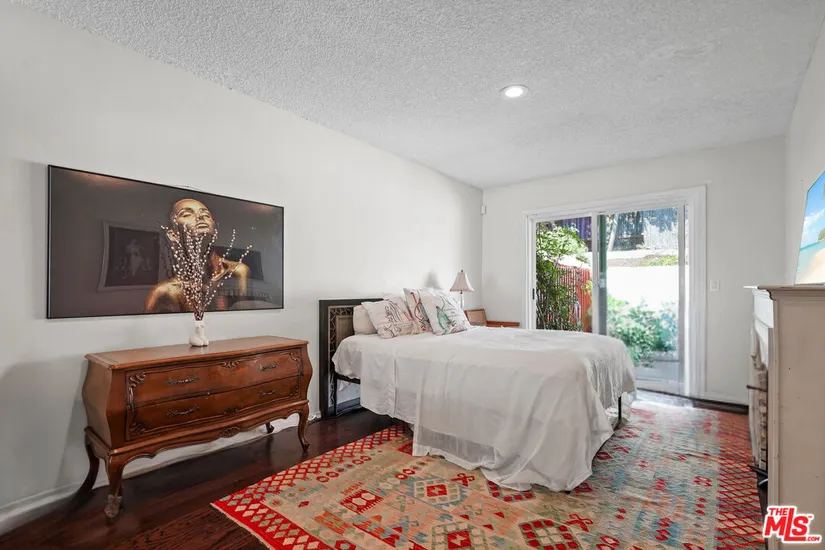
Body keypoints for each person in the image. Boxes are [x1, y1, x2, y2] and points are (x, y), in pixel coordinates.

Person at [145, 198, 249, 313]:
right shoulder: (166, 292)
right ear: (173, 235)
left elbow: (245, 317)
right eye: (186, 214)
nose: (200, 217)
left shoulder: (238, 271)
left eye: (206, 215)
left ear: (215, 229)